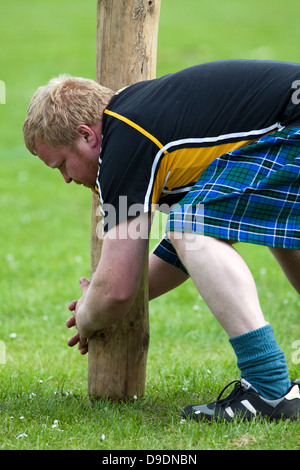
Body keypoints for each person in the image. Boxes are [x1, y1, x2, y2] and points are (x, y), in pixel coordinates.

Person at [23, 59, 300, 421]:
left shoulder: (122, 146)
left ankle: (267, 388)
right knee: (252, 228)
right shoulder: (138, 123)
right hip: (288, 123)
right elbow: (180, 258)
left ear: (87, 136)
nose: (65, 179)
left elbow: (119, 288)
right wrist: (96, 298)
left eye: (60, 164)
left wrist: (91, 314)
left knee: (189, 226)